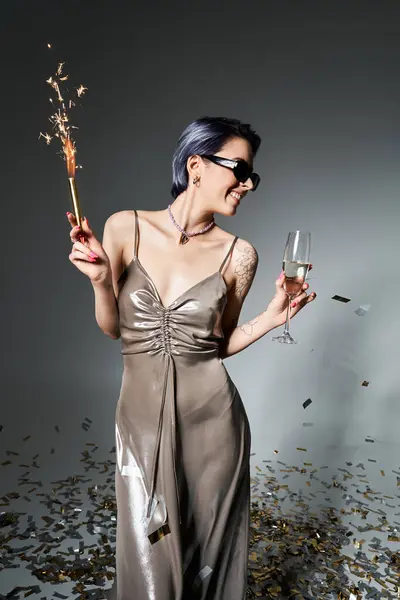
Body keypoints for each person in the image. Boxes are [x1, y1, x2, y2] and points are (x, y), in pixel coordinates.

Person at [66, 116, 316, 600]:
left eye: (252, 176)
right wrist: (100, 281)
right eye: (239, 169)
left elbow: (217, 344)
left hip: (213, 425)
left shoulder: (239, 255)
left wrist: (270, 317)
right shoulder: (126, 227)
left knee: (209, 556)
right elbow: (117, 329)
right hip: (139, 420)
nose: (247, 184)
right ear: (195, 166)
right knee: (148, 555)